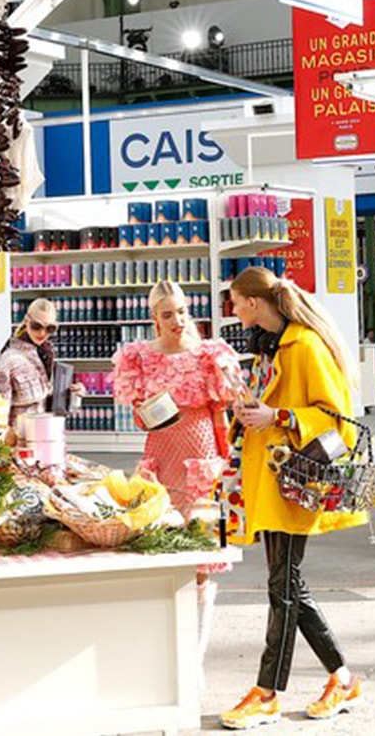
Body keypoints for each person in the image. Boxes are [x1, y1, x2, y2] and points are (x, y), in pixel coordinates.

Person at [218, 267, 364, 729]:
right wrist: (246, 412)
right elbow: (270, 411)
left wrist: (276, 414)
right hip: (272, 482)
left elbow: (336, 418)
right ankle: (342, 679)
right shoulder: (272, 347)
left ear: (255, 304)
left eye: (236, 302)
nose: (232, 309)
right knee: (289, 587)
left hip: (295, 484)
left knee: (282, 589)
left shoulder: (304, 346)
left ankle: (266, 693)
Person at [111, 280, 241, 676]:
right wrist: (146, 411)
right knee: (159, 546)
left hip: (201, 454)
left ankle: (195, 657)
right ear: (154, 318)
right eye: (167, 314)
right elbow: (137, 415)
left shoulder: (211, 355)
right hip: (160, 456)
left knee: (202, 557)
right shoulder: (138, 357)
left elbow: (228, 405)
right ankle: (167, 649)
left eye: (182, 311)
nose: (177, 320)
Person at [0, 297, 82, 426]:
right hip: (20, 439)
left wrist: (74, 395)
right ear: (27, 321)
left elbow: (55, 406)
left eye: (50, 328)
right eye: (36, 326)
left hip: (48, 433)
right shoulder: (9, 359)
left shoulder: (47, 355)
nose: (42, 333)